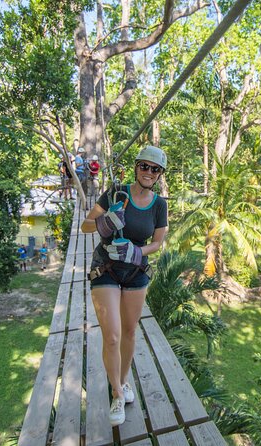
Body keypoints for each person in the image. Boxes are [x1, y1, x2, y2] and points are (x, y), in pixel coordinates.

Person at [81, 145, 168, 426]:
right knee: (113, 336)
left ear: (160, 175)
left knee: (130, 332)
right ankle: (117, 393)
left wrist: (137, 252)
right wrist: (105, 221)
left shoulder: (159, 205)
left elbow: (157, 242)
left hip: (135, 270)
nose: (149, 172)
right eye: (144, 166)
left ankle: (124, 380)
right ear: (136, 167)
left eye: (154, 169)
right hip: (105, 267)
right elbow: (85, 225)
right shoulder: (116, 193)